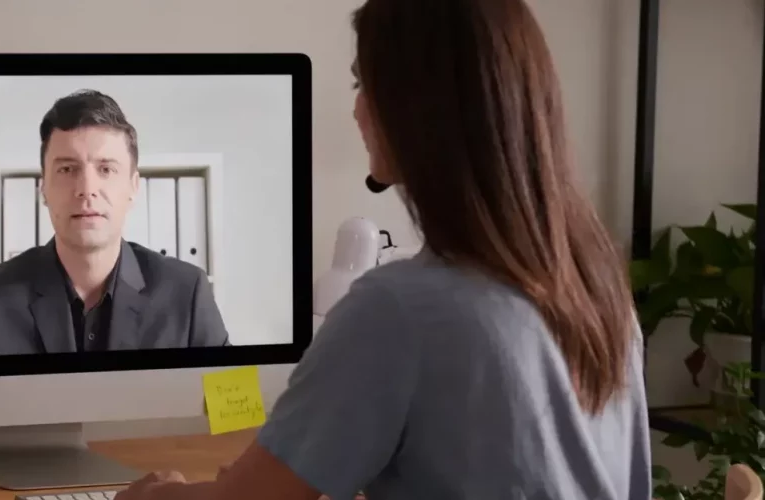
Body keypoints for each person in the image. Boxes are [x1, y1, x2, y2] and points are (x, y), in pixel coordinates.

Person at [116, 0, 652, 498]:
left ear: (417, 110)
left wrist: (154, 494)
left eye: (363, 83)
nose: (356, 111)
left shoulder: (398, 311)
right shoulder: (597, 287)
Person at [0, 90, 231, 357]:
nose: (86, 188)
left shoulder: (187, 292)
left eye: (106, 169)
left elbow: (236, 410)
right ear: (44, 189)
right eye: (67, 169)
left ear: (133, 187)